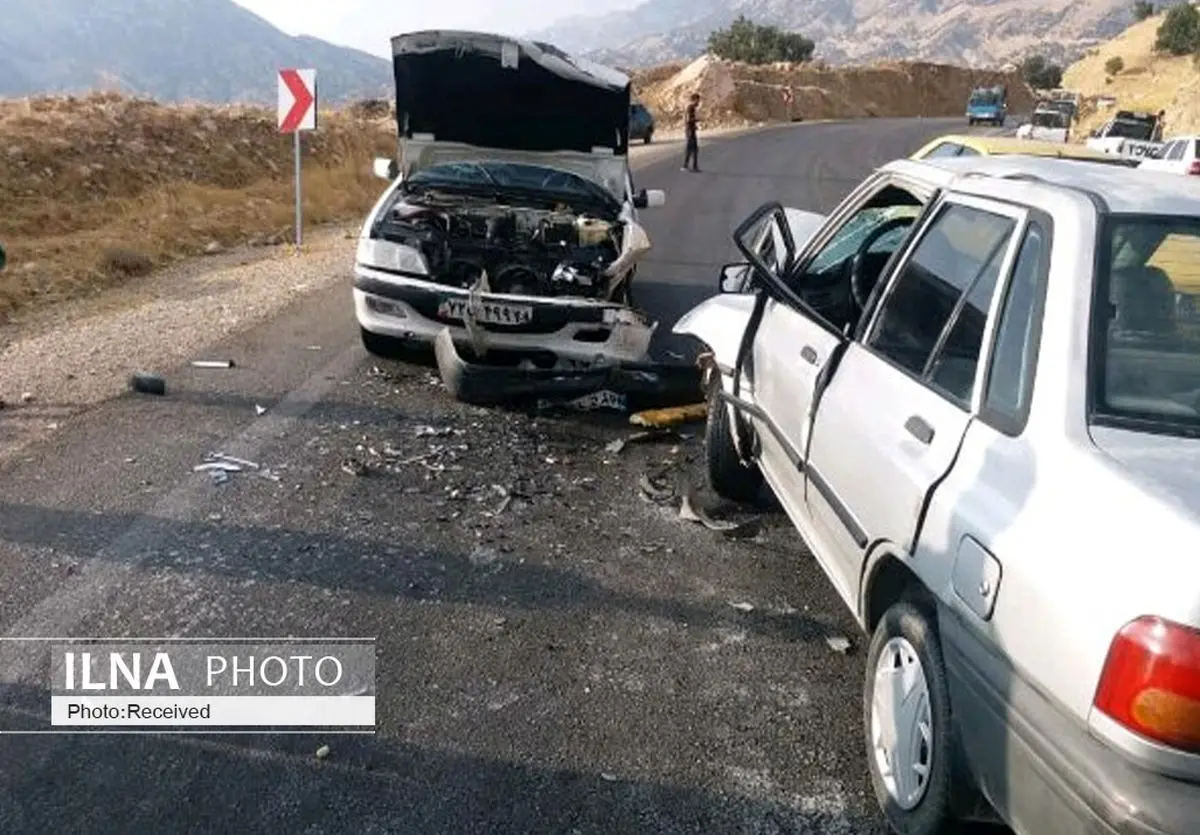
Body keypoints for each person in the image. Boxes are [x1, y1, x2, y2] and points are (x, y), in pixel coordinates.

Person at [682, 93, 700, 172]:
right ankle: (687, 166)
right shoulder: (690, 108)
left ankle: (692, 166)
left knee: (693, 149)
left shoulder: (690, 108)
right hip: (690, 131)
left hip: (690, 130)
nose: (698, 102)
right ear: (694, 100)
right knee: (691, 149)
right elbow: (689, 120)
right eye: (698, 100)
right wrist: (697, 120)